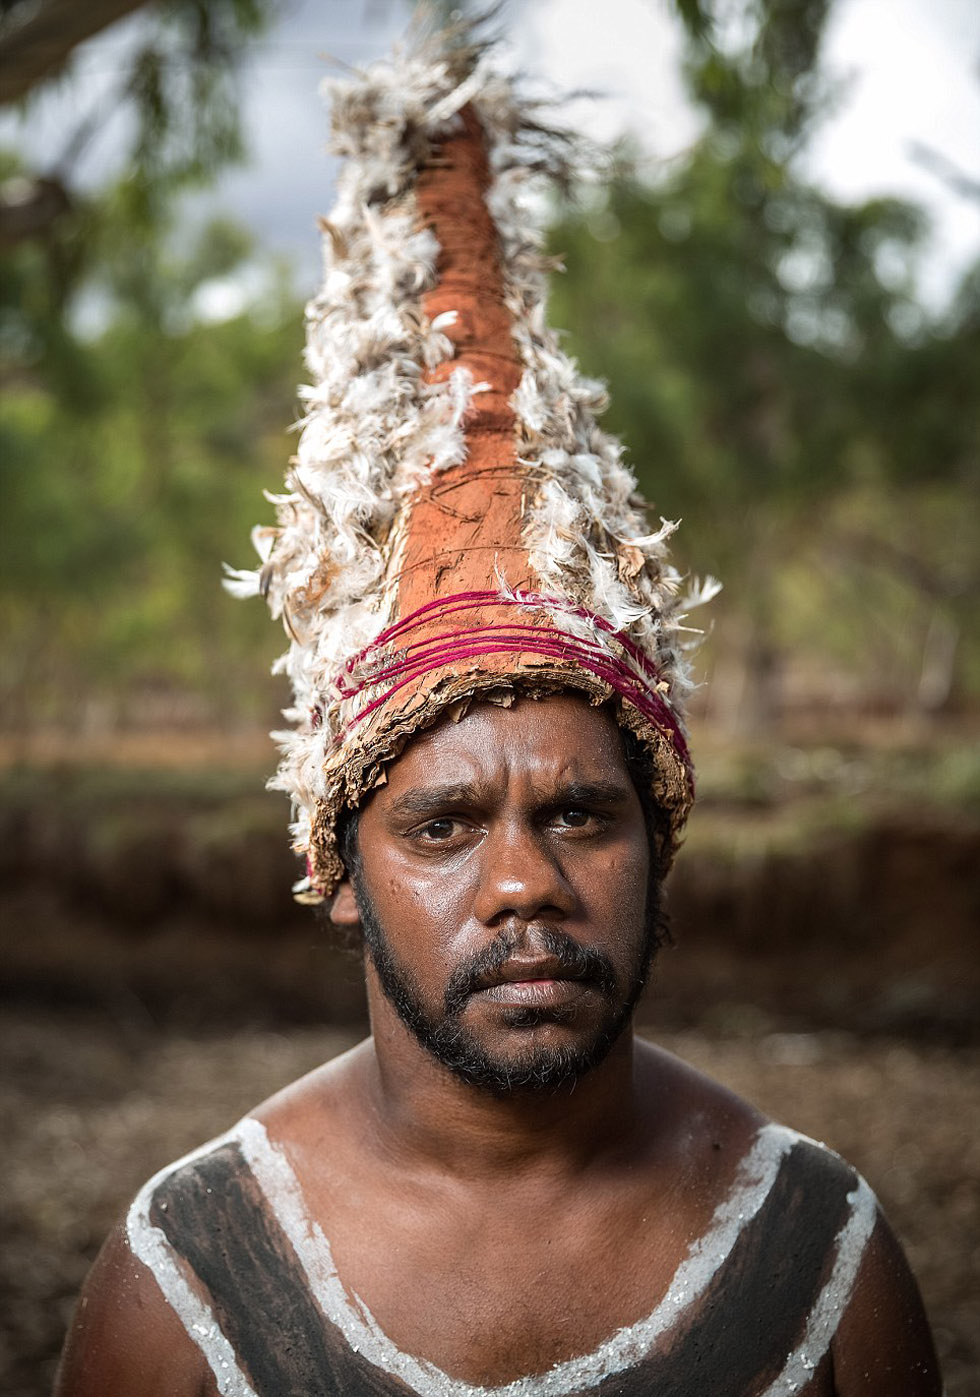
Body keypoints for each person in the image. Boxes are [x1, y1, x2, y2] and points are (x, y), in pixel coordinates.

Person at [55, 22, 940, 1397]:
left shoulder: (820, 1265)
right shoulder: (185, 1294)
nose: (525, 882)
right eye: (445, 822)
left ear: (662, 843)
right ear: (336, 869)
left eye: (582, 812)